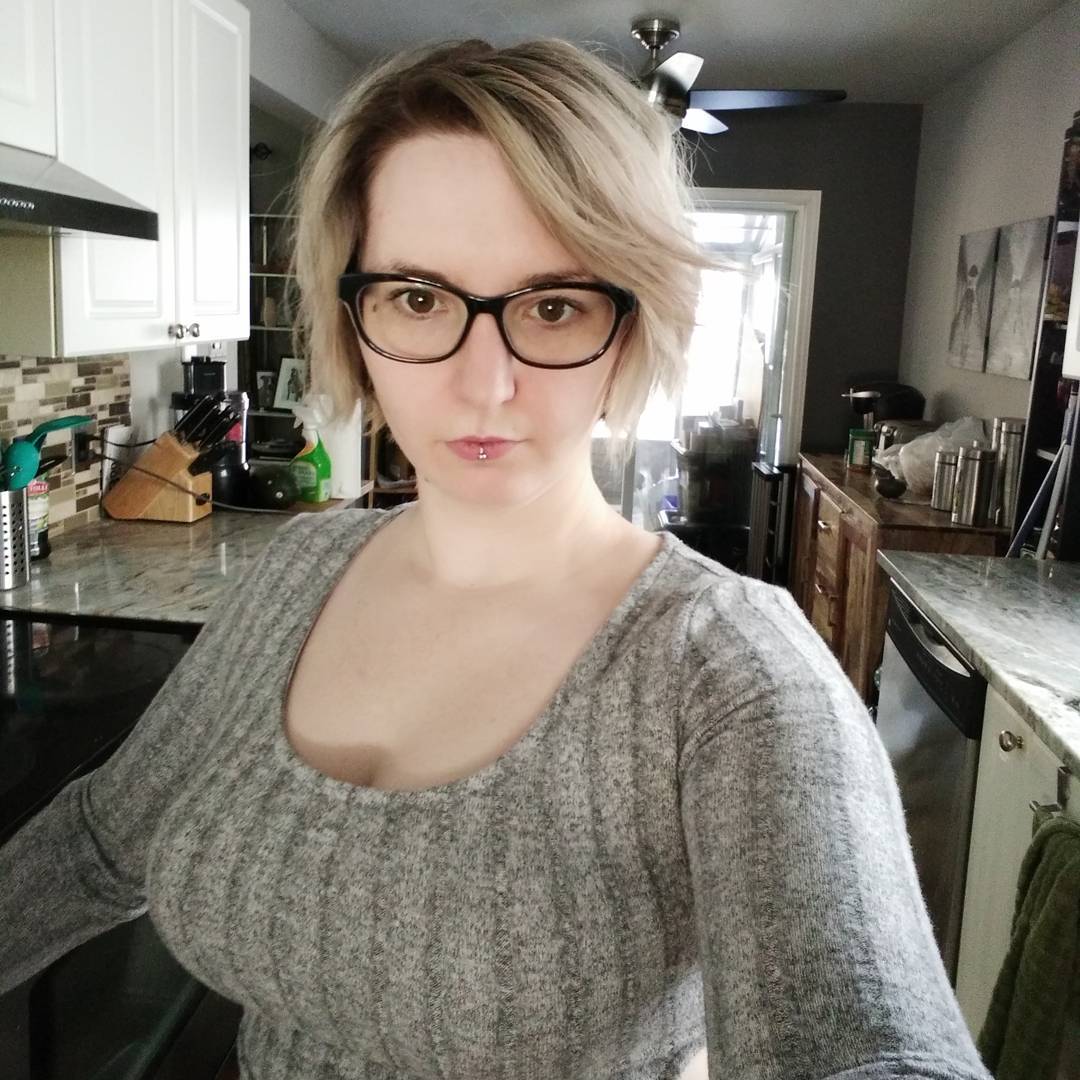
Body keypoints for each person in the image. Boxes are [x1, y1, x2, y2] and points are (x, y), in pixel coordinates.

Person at [1, 38, 991, 1080]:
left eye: (553, 306)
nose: (486, 384)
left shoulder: (732, 673)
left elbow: (867, 1044)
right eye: (420, 298)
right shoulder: (301, 570)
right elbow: (99, 845)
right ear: (355, 318)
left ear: (631, 328)